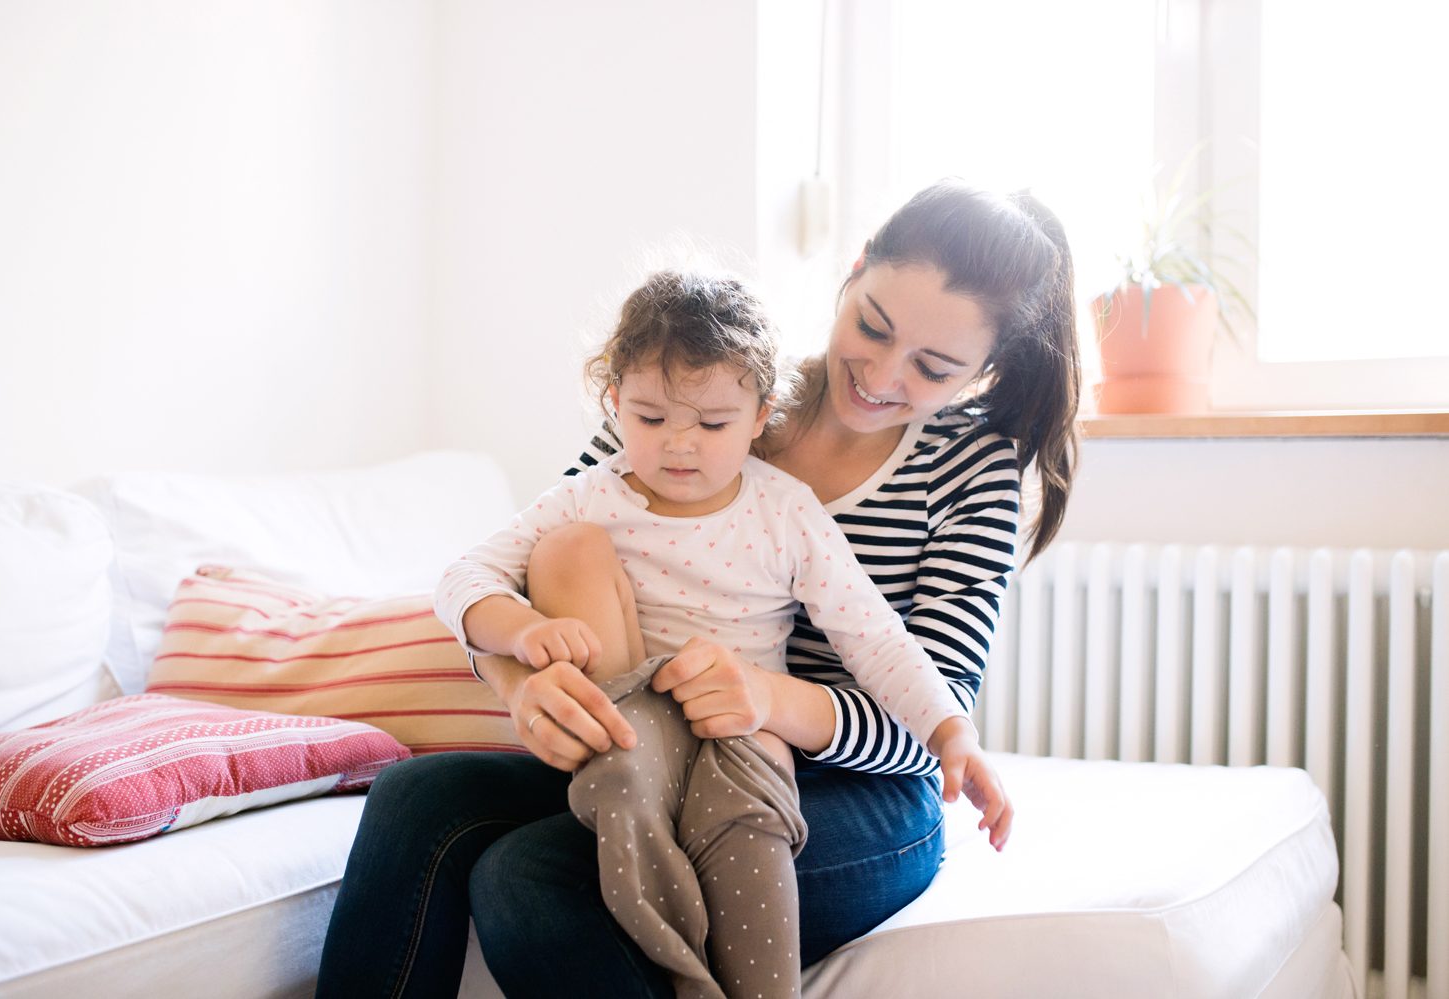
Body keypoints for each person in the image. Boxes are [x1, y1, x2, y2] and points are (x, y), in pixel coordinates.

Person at [315, 179, 1079, 999]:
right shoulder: (701, 386)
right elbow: (524, 562)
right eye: (873, 325)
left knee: (528, 877)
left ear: (985, 367)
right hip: (654, 736)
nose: (881, 375)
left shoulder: (973, 466)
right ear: (854, 272)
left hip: (852, 787)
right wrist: (521, 683)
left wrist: (764, 697)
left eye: (933, 367)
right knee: (413, 796)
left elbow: (928, 709)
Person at [434, 268, 1003, 999]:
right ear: (614, 404)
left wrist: (952, 731)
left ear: (761, 415)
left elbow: (878, 638)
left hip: (742, 735)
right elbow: (463, 578)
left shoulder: (786, 510)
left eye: (711, 424)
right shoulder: (593, 492)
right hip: (630, 729)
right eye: (649, 418)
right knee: (542, 783)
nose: (679, 446)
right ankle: (682, 968)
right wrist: (519, 636)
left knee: (744, 839)